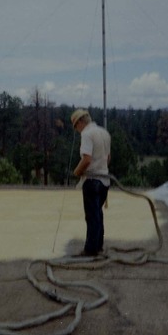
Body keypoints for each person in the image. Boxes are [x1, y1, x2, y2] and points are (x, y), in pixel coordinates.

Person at [70, 109, 111, 256]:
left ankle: (91, 250)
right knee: (98, 214)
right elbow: (108, 159)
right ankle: (98, 245)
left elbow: (86, 159)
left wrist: (77, 172)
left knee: (92, 216)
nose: (76, 130)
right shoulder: (104, 133)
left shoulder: (87, 134)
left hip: (92, 181)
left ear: (80, 122)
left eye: (76, 126)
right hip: (105, 180)